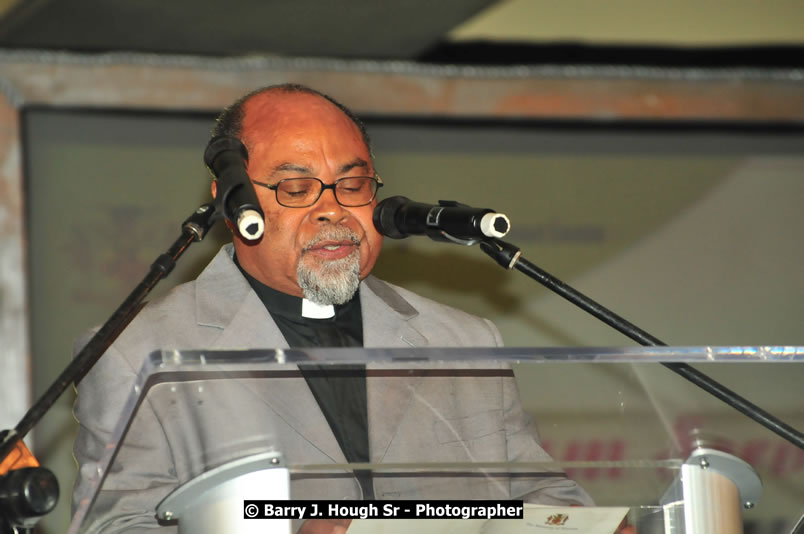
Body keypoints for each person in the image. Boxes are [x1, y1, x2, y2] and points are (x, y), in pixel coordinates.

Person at [72, 84, 591, 534]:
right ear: (233, 203)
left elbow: (550, 505)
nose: (333, 209)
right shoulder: (134, 355)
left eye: (353, 184)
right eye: (295, 188)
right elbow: (117, 526)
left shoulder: (468, 341)